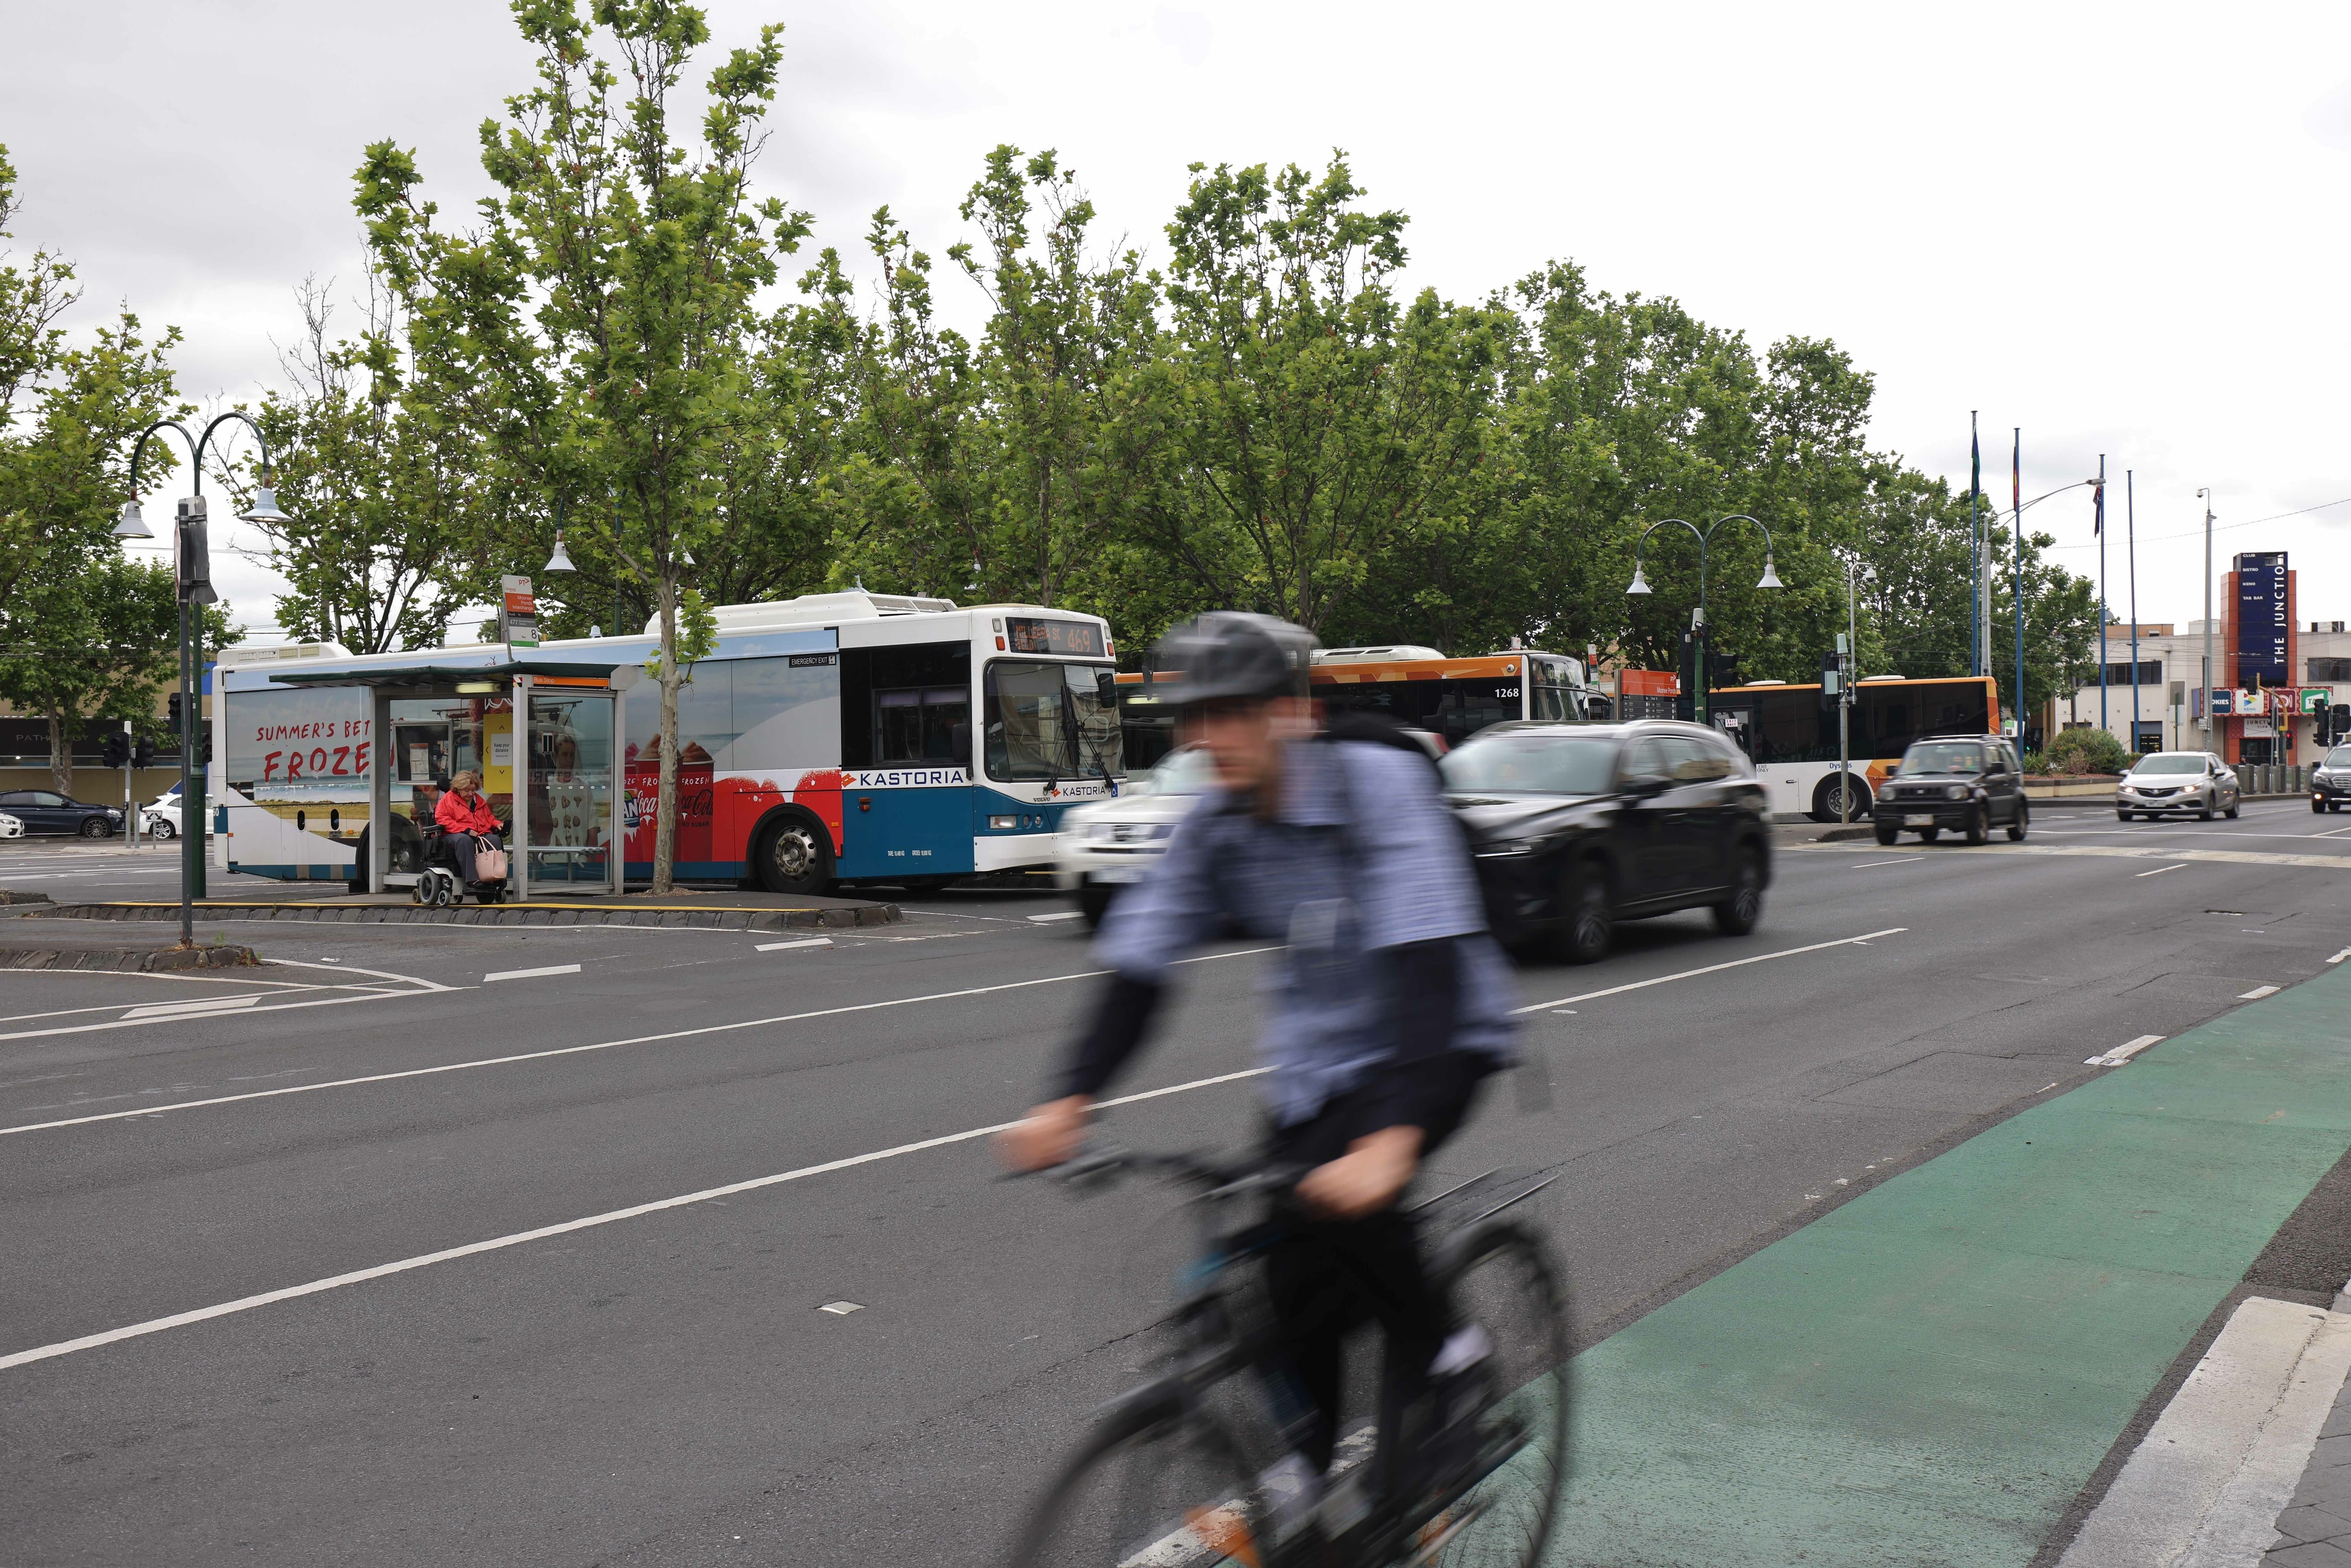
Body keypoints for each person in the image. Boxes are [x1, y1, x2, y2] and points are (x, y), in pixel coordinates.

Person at [999, 612, 1519, 1530]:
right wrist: (1069, 1097)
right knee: (1284, 1283)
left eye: (1231, 714)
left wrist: (1392, 1144)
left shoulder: (1378, 786)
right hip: (1319, 1063)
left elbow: (1432, 967)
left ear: (1291, 711)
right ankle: (1310, 1473)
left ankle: (1457, 1361)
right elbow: (1139, 969)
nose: (1207, 739)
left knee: (1349, 1200)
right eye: (1194, 718)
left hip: (1436, 1037)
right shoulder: (1217, 824)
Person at [433, 770, 503, 883]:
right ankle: (472, 879)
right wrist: (466, 831)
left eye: (473, 790)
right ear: (458, 789)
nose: (471, 793)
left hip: (478, 833)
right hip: (453, 834)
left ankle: (492, 876)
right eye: (467, 791)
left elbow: (488, 817)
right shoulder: (448, 799)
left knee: (494, 840)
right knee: (464, 840)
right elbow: (443, 820)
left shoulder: (478, 800)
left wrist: (497, 824)